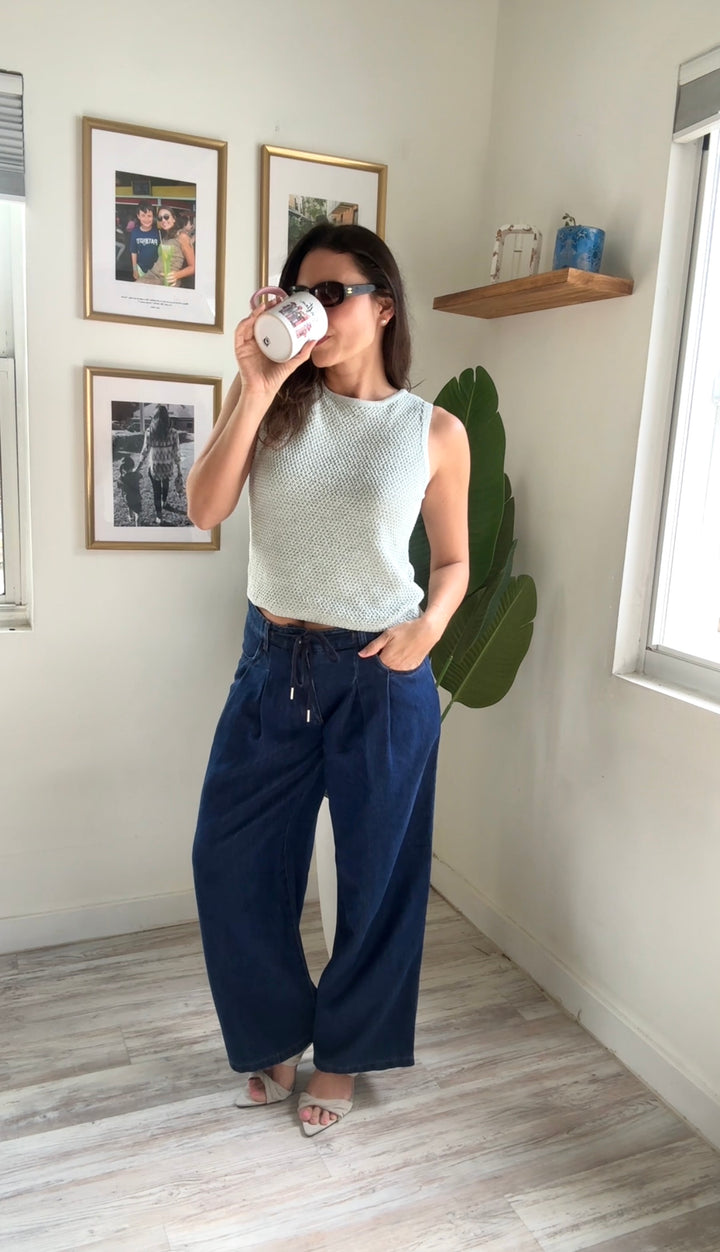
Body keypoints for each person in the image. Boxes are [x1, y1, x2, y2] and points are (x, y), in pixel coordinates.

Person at [188, 223, 470, 1136]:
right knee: (230, 860)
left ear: (383, 306)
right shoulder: (275, 405)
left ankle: (345, 1052)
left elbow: (457, 562)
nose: (315, 310)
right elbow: (204, 509)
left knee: (379, 873)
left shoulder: (434, 430)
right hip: (274, 664)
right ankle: (273, 1032)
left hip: (382, 676)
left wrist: (429, 627)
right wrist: (257, 382)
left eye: (334, 293)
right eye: (298, 294)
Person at [137, 406, 183, 524]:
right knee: (166, 484)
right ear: (167, 417)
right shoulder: (173, 433)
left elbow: (145, 450)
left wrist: (138, 467)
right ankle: (164, 502)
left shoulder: (149, 432)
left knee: (156, 490)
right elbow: (176, 452)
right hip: (167, 467)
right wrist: (179, 469)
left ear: (154, 417)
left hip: (154, 468)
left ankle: (159, 515)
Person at [136, 204, 194, 287]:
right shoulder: (165, 237)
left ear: (174, 219)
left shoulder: (182, 236)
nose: (163, 220)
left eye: (166, 217)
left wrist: (177, 275)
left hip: (166, 280)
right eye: (160, 218)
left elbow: (193, 267)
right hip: (152, 275)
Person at [130, 201, 160, 280]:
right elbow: (134, 252)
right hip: (140, 269)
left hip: (155, 270)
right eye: (143, 215)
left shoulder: (158, 232)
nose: (146, 219)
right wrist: (135, 270)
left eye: (149, 216)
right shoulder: (135, 232)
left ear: (153, 216)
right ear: (138, 216)